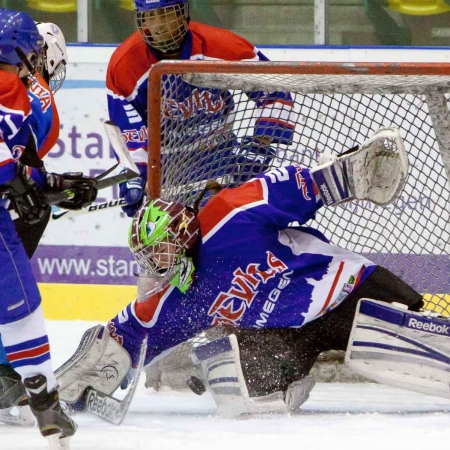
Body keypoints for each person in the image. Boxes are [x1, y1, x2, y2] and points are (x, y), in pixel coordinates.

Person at [56, 127, 446, 417]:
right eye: (148, 257)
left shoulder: (230, 214)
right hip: (285, 333)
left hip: (342, 291)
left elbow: (300, 188)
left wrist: (344, 177)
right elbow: (134, 330)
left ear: (182, 233)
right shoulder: (182, 295)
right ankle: (290, 376)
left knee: (409, 338)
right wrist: (97, 366)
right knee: (238, 390)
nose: (155, 265)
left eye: (159, 251)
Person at [0, 8, 98, 447]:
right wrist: (29, 182)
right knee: (21, 306)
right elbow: (14, 166)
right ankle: (38, 397)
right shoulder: (21, 91)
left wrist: (46, 183)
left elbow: (20, 168)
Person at [107, 0, 297, 217]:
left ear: (183, 12)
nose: (157, 25)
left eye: (166, 13)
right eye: (149, 16)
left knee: (221, 230)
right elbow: (128, 131)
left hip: (219, 156)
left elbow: (274, 91)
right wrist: (134, 175)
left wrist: (259, 146)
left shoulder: (220, 45)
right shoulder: (125, 64)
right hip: (164, 168)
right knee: (166, 243)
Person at [0, 20, 71, 428]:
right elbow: (23, 161)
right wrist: (34, 187)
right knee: (16, 297)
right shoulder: (27, 91)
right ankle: (12, 374)